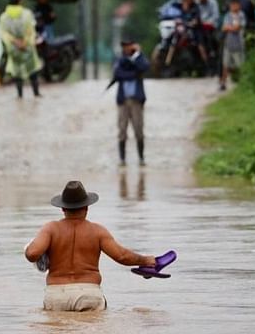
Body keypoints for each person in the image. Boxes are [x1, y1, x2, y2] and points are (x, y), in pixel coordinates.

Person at [24, 181, 157, 312]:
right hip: (88, 294)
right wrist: (145, 260)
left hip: (56, 295)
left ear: (63, 208)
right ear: (87, 207)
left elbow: (32, 254)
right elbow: (122, 256)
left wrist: (30, 248)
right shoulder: (97, 231)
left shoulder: (51, 229)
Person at [113, 38, 149, 166]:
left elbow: (144, 67)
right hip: (123, 101)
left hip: (136, 101)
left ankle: (141, 158)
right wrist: (134, 73)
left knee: (139, 131)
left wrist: (137, 56)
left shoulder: (139, 58)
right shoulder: (119, 59)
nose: (126, 48)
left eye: (128, 45)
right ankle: (122, 160)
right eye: (124, 46)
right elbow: (117, 74)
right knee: (122, 131)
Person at [0, 0, 42, 98]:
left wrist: (14, 41)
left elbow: (3, 33)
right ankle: (36, 93)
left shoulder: (4, 17)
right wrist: (25, 42)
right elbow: (30, 30)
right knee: (32, 69)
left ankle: (19, 95)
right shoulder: (26, 14)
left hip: (14, 48)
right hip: (27, 45)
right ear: (19, 2)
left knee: (17, 71)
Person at [176, 0, 210, 70]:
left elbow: (197, 20)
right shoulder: (181, 7)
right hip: (186, 29)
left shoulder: (195, 7)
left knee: (200, 46)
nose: (185, 0)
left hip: (196, 29)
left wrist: (193, 23)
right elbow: (179, 17)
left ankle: (206, 64)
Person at [220, 0, 246, 91]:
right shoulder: (227, 15)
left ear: (238, 5)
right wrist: (231, 27)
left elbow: (237, 27)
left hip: (238, 44)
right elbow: (223, 28)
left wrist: (229, 27)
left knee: (240, 65)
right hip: (228, 44)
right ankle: (223, 83)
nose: (233, 6)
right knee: (225, 65)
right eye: (231, 4)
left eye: (235, 4)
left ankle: (243, 83)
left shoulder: (241, 15)